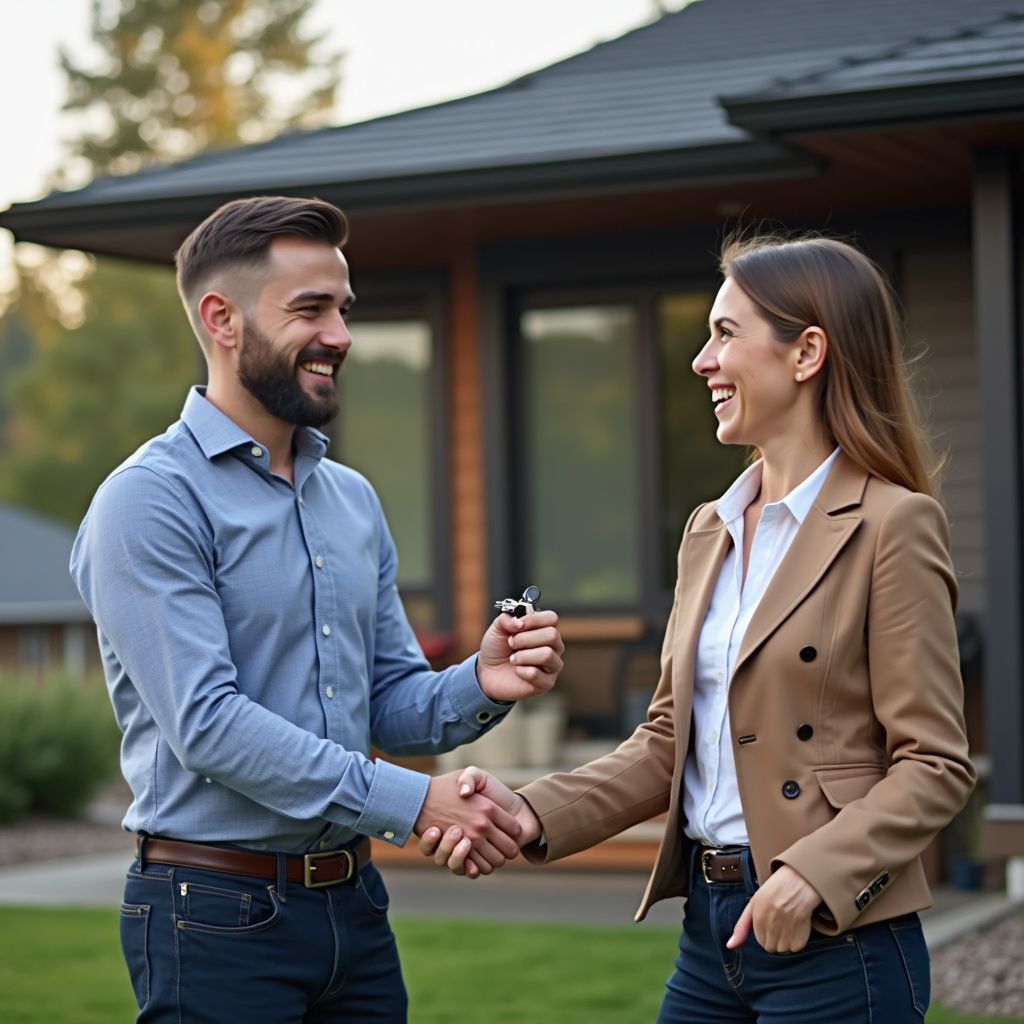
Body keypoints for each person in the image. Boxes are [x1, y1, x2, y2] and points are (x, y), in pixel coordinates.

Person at [420, 233, 976, 1023]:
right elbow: (666, 739)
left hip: (835, 938)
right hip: (709, 936)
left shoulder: (893, 526)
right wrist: (531, 812)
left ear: (806, 352)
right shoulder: (709, 529)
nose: (701, 361)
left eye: (725, 333)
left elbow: (935, 765)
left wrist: (814, 874)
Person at [70, 195, 564, 1023]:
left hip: (353, 908)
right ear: (221, 320)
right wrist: (416, 804)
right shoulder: (149, 501)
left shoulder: (351, 499)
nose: (339, 334)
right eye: (311, 308)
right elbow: (209, 724)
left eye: (343, 309)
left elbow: (388, 701)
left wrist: (482, 680)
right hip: (211, 912)